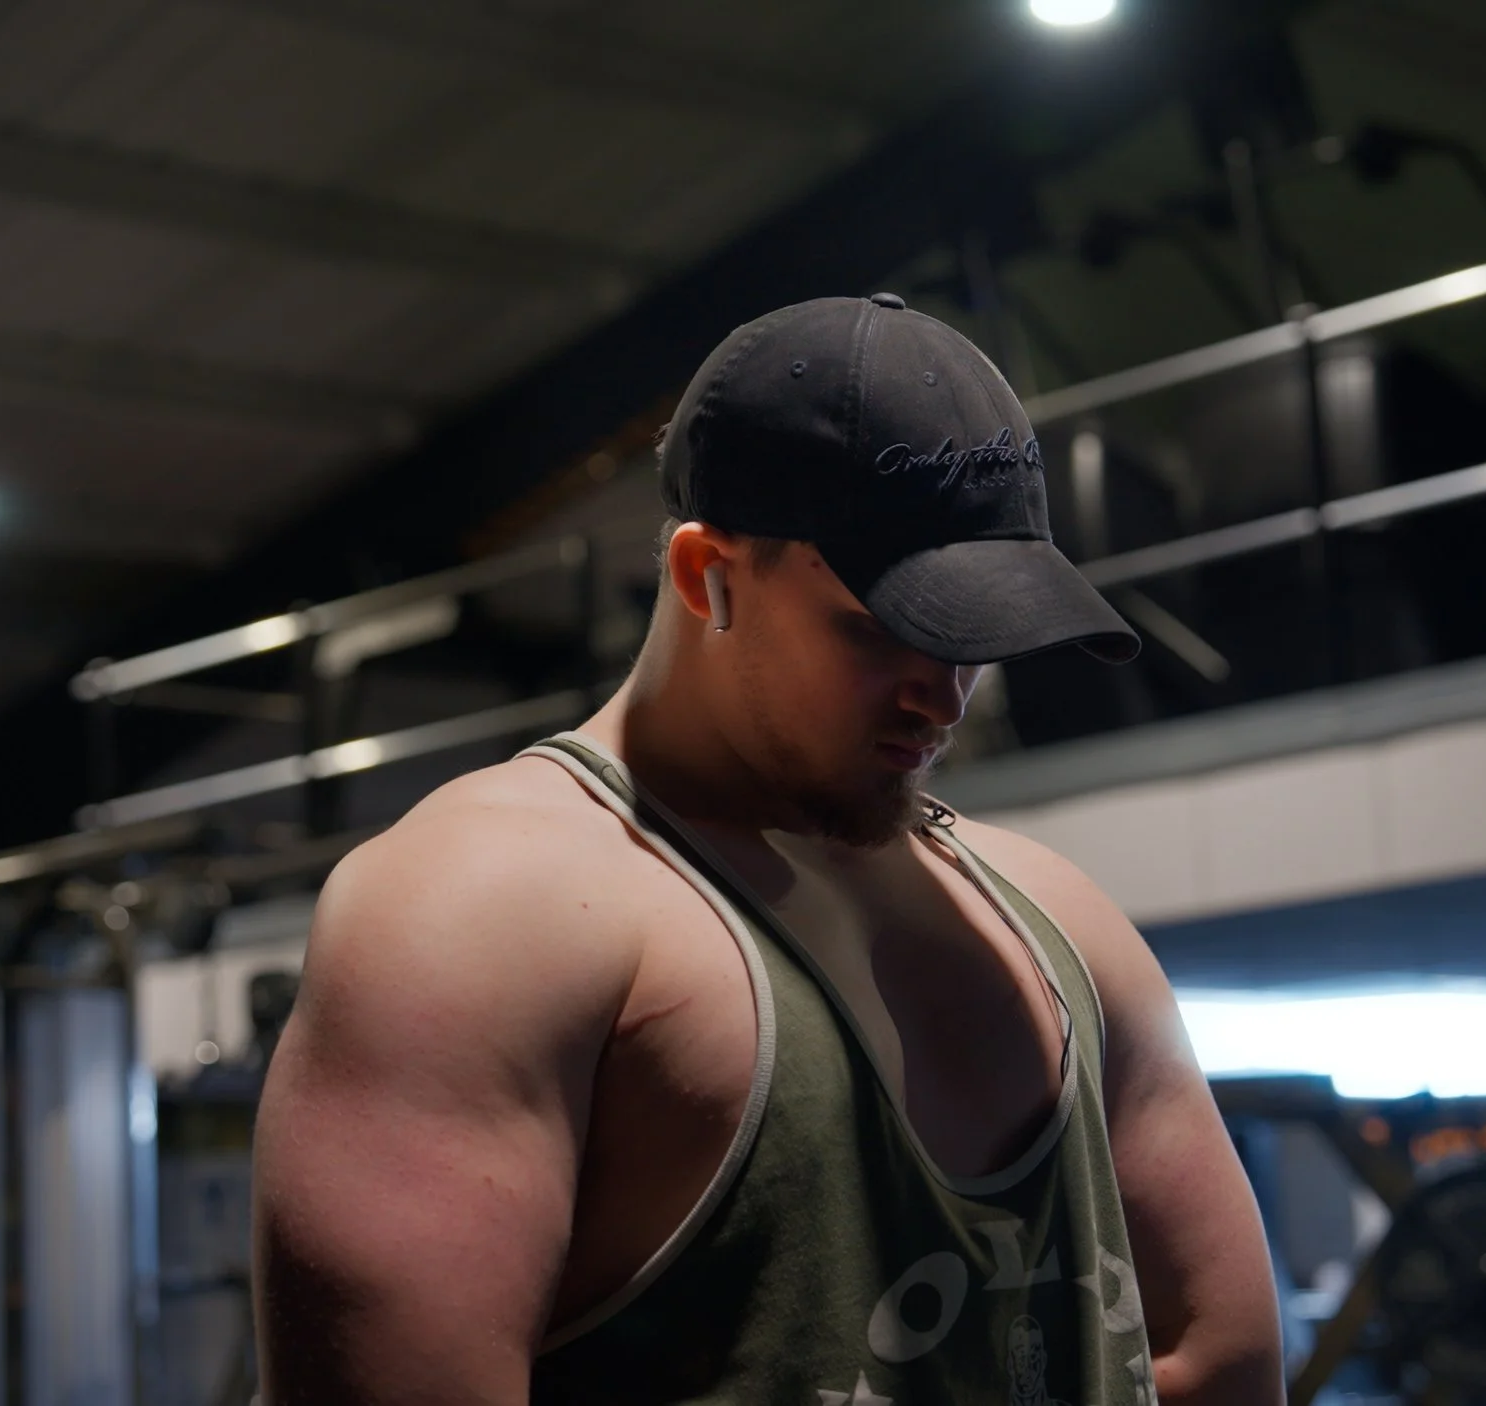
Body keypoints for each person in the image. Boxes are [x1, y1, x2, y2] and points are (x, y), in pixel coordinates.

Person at [252, 293, 1284, 1405]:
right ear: (708, 575)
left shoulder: (1061, 918)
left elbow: (1217, 1360)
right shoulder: (479, 910)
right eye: (886, 628)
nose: (940, 696)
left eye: (976, 638)